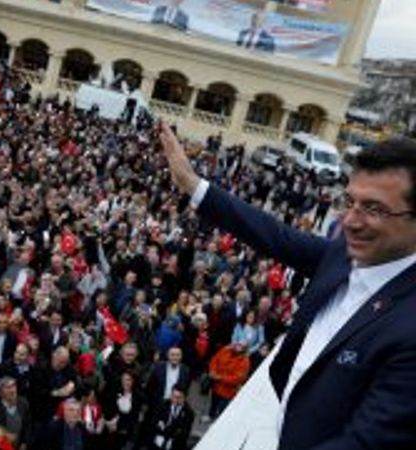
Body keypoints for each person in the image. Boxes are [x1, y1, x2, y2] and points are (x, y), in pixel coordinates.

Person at [160, 123, 416, 449]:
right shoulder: (342, 255)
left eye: (374, 209)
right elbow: (273, 235)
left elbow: (368, 441)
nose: (350, 221)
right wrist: (192, 184)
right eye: (349, 202)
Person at [146, 384, 194, 450]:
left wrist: (165, 428)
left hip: (173, 445)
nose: (175, 400)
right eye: (173, 396)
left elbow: (184, 434)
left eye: (179, 397)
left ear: (184, 398)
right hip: (156, 443)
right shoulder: (163, 405)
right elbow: (153, 423)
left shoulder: (188, 413)